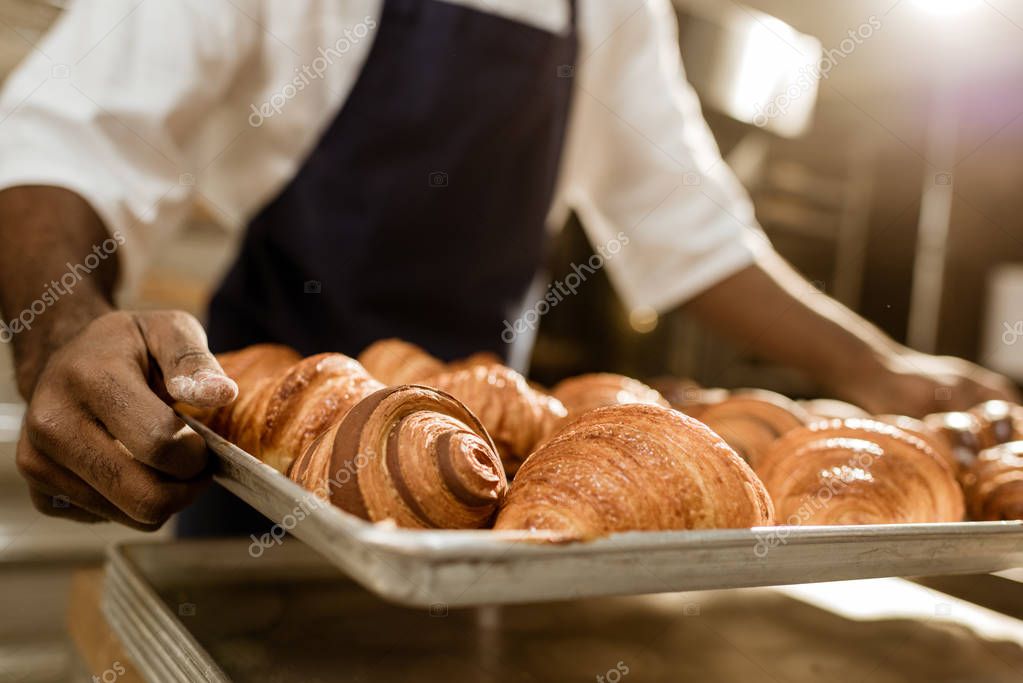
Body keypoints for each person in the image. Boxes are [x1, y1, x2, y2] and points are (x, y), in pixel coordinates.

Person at [0, 0, 1015, 534]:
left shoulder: (607, 9)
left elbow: (687, 228)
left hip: (498, 486)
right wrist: (56, 332)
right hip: (270, 472)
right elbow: (60, 139)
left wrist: (875, 367)